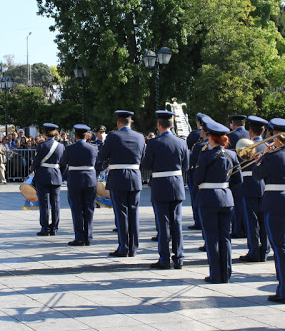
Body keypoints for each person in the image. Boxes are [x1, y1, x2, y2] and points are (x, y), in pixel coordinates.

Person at [252, 118, 285, 304]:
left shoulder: (272, 156)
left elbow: (257, 175)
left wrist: (265, 153)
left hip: (277, 204)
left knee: (282, 249)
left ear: (275, 135)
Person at [193, 120, 242, 282]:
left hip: (208, 198)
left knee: (212, 237)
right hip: (226, 198)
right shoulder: (231, 155)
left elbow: (197, 179)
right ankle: (226, 273)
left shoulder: (205, 154)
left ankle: (216, 274)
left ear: (211, 138)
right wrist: (225, 189)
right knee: (225, 237)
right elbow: (238, 180)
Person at [141, 111, 189, 269]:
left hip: (160, 185)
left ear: (158, 125)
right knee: (177, 222)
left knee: (163, 224)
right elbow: (186, 166)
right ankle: (179, 257)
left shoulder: (153, 143)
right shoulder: (181, 142)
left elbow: (146, 165)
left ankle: (164, 258)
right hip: (176, 184)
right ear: (172, 125)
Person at [96, 110, 146, 257]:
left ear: (118, 122)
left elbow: (102, 156)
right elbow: (143, 157)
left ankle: (123, 247)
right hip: (135, 177)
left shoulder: (113, 137)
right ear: (130, 122)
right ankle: (133, 247)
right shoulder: (140, 137)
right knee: (133, 212)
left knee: (121, 213)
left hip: (118, 178)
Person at [60, 124, 98, 246]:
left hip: (75, 180)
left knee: (76, 209)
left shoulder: (69, 148)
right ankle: (88, 236)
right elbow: (99, 163)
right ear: (86, 136)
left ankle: (79, 237)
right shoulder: (94, 148)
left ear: (75, 136)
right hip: (90, 180)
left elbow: (63, 164)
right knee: (89, 209)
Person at [239, 116, 270, 263]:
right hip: (264, 186)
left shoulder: (246, 146)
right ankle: (265, 249)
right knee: (263, 220)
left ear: (250, 130)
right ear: (263, 131)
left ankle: (254, 250)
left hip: (249, 185)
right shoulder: (267, 146)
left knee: (252, 220)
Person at [31, 123, 65, 236]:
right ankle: (54, 228)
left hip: (43, 175)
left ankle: (45, 228)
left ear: (45, 133)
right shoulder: (61, 146)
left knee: (44, 203)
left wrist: (32, 169)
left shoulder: (42, 145)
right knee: (55, 203)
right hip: (56, 175)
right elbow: (64, 164)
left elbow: (36, 161)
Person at [187, 113, 207, 231]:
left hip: (195, 170)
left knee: (195, 196)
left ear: (199, 123)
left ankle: (198, 220)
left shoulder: (193, 134)